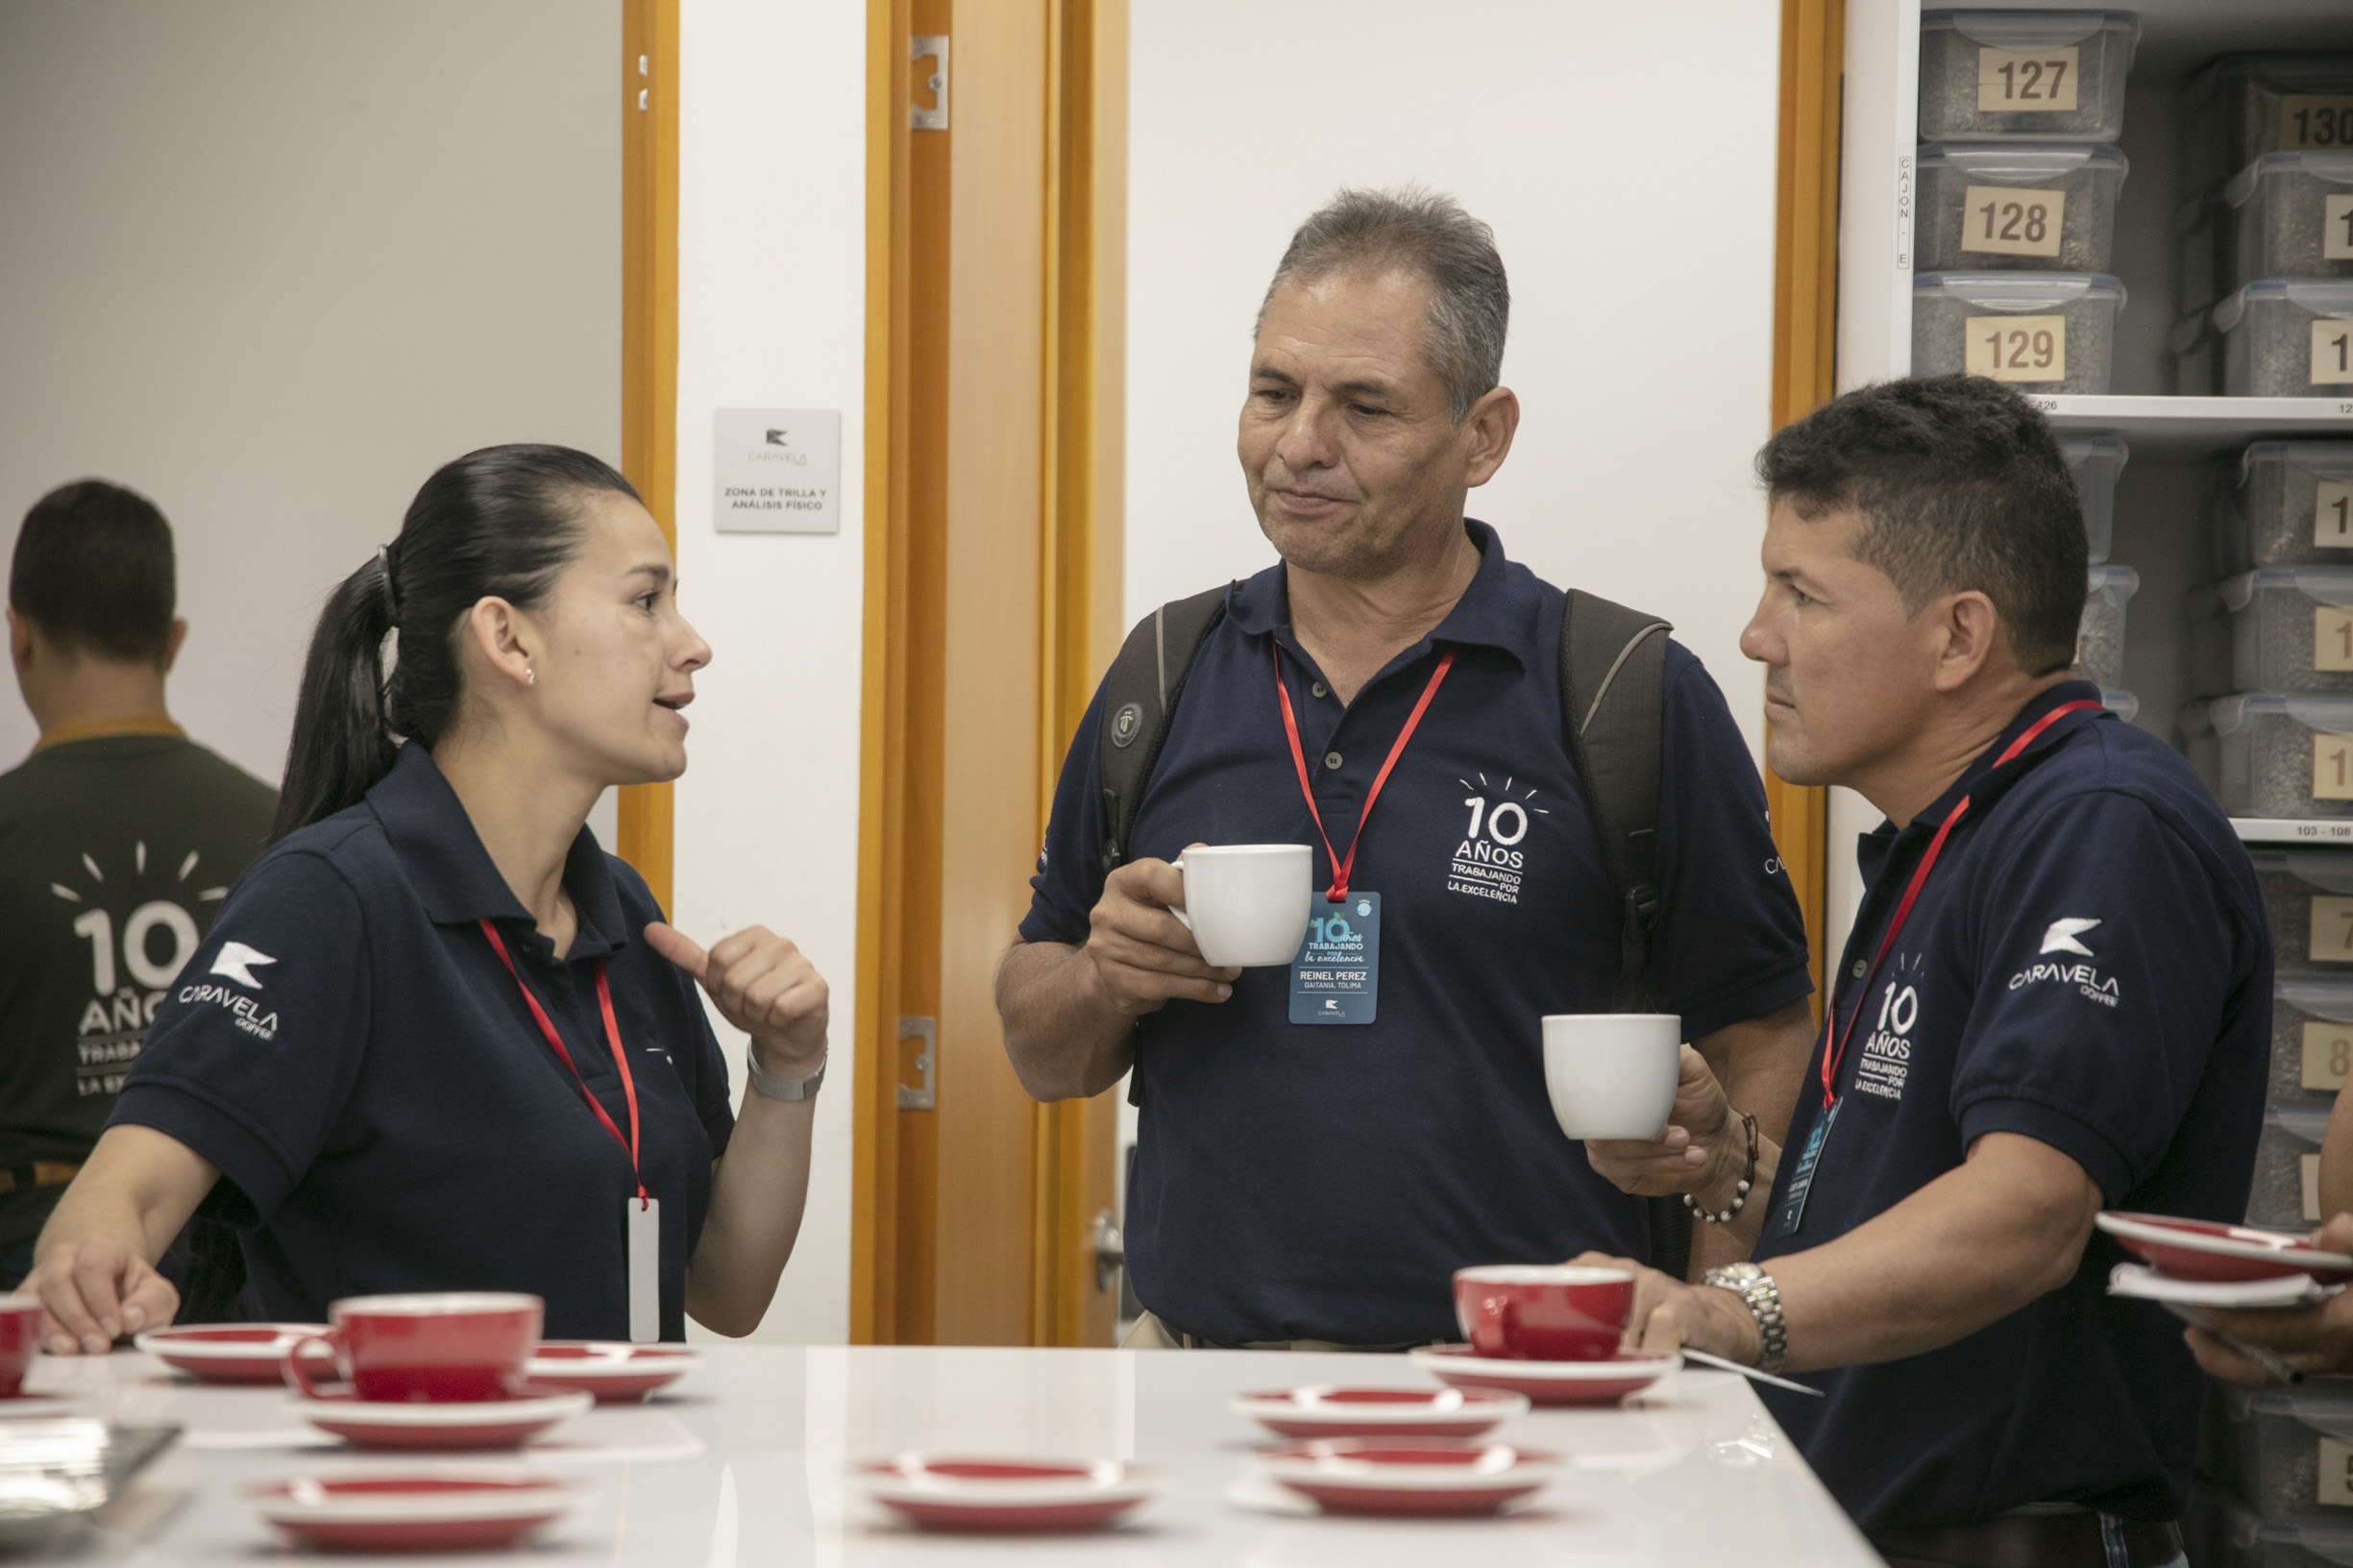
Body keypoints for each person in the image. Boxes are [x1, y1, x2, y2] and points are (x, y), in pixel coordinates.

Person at [994, 187, 1818, 1351]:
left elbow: (1761, 1030)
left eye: (1362, 406)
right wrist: (1102, 977)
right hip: (1199, 1383)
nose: (1299, 445)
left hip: (1534, 1390)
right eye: (1274, 392)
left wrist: (1716, 1322)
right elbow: (1040, 1051)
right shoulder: (1166, 672)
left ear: (1483, 435)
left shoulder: (1623, 689)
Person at [1577, 377, 2268, 1568]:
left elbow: (2027, 1215)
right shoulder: (1947, 835)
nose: (1756, 635)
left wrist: (1721, 1312)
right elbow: (1900, 1206)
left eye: (1802, 594)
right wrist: (1732, 1172)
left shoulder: (2100, 825)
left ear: (1958, 635)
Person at [26, 444, 826, 1350]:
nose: (692, 643)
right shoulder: (332, 899)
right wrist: (90, 1265)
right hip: (401, 1485)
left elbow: (725, 1290)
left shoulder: (625, 915)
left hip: (618, 1485)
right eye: (646, 601)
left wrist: (787, 1065)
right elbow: (127, 1192)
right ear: (508, 638)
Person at [0, 481, 276, 1290]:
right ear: (174, 638)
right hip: (231, 1262)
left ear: (19, 637)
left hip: (33, 1259)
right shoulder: (281, 828)